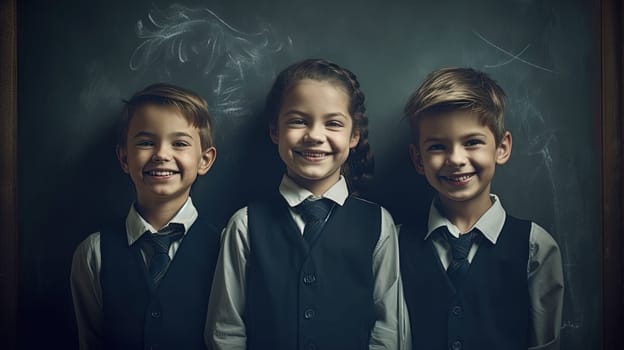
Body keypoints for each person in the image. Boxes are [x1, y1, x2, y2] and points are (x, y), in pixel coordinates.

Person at [205, 58, 401, 350]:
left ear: (354, 136)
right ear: (275, 131)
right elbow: (226, 331)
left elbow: (389, 329)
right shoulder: (244, 224)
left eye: (333, 123)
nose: (314, 136)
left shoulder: (379, 223)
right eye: (298, 121)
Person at [399, 67, 564, 350]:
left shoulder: (535, 247)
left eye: (472, 142)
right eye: (438, 147)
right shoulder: (395, 242)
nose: (456, 159)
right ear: (418, 159)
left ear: (502, 147)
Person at [70, 83, 219, 349]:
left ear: (204, 160)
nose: (162, 154)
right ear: (125, 158)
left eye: (180, 143)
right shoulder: (93, 253)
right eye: (146, 142)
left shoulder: (226, 249)